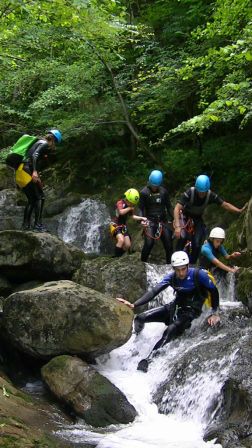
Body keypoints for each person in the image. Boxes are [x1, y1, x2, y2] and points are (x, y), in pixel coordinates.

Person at [117, 251, 220, 372]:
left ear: (187, 266)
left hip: (191, 312)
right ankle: (136, 338)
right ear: (173, 269)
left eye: (183, 269)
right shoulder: (171, 277)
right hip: (174, 307)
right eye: (177, 270)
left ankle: (148, 360)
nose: (181, 273)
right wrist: (134, 304)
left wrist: (215, 312)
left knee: (170, 330)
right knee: (140, 317)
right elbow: (154, 291)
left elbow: (214, 292)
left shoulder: (199, 275)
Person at [173, 174, 247, 263]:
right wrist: (177, 226)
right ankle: (175, 260)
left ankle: (192, 265)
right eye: (199, 191)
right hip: (184, 217)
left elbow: (225, 205)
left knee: (197, 244)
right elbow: (177, 208)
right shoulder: (190, 193)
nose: (201, 194)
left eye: (203, 192)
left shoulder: (210, 195)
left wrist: (239, 211)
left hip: (197, 219)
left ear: (207, 189)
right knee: (182, 237)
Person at [19, 129, 62, 232]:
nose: (53, 146)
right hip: (27, 170)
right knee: (40, 197)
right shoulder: (45, 144)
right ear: (53, 140)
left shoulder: (38, 142)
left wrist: (36, 172)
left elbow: (32, 157)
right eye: (55, 143)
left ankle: (25, 226)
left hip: (21, 170)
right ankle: (37, 225)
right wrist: (34, 172)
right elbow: (35, 156)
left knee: (32, 199)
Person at [138, 170, 173, 264]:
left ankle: (169, 266)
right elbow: (140, 209)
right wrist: (142, 220)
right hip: (150, 221)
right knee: (149, 243)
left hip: (162, 221)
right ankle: (143, 263)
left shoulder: (164, 192)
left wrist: (175, 219)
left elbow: (169, 207)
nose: (154, 187)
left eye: (156, 186)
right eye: (153, 185)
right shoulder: (144, 193)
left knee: (169, 243)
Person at [110, 188, 147, 257]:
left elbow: (132, 216)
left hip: (123, 226)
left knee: (127, 244)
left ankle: (118, 255)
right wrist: (129, 208)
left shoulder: (130, 206)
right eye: (131, 202)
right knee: (121, 240)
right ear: (127, 199)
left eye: (133, 204)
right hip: (115, 224)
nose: (131, 204)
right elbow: (121, 212)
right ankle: (115, 258)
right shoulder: (120, 203)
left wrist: (142, 218)